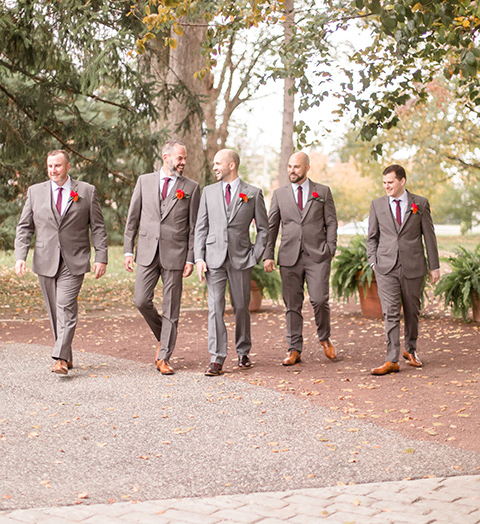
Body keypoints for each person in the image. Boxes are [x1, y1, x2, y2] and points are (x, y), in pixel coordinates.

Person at [14, 150, 108, 375]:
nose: (53, 170)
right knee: (55, 312)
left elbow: (97, 227)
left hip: (74, 259)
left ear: (68, 166)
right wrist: (20, 256)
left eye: (57, 166)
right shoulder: (35, 192)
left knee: (65, 306)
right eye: (50, 166)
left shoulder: (86, 191)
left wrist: (101, 257)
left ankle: (60, 359)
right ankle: (67, 355)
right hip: (45, 259)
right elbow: (25, 226)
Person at [124, 140, 200, 375]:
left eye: (184, 159)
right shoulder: (144, 181)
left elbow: (195, 227)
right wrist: (128, 250)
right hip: (146, 252)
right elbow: (132, 218)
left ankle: (164, 355)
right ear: (166, 157)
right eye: (179, 158)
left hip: (176, 254)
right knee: (141, 300)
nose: (183, 162)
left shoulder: (191, 188)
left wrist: (190, 258)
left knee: (171, 307)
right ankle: (165, 335)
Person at [194, 149, 268, 376]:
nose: (214, 167)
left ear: (232, 165)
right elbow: (201, 227)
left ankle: (243, 350)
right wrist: (199, 257)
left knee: (241, 308)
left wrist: (254, 255)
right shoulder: (208, 192)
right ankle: (217, 358)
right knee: (214, 308)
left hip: (241, 258)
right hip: (213, 258)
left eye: (218, 163)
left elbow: (264, 229)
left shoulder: (253, 193)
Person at [264, 151, 338, 366]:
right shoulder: (279, 194)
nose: (291, 171)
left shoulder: (322, 191)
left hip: (318, 256)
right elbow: (272, 227)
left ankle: (324, 338)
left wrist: (330, 248)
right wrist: (268, 255)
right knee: (292, 305)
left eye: (296, 167)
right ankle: (294, 348)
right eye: (289, 166)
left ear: (307, 167)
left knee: (319, 299)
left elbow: (331, 222)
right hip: (289, 256)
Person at [366, 164, 440, 375]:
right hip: (386, 267)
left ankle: (411, 350)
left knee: (412, 311)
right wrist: (373, 262)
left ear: (402, 181)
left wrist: (434, 266)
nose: (386, 186)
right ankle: (392, 359)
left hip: (414, 266)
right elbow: (372, 237)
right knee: (390, 313)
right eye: (384, 183)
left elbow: (429, 237)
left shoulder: (420, 203)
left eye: (390, 182)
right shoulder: (377, 205)